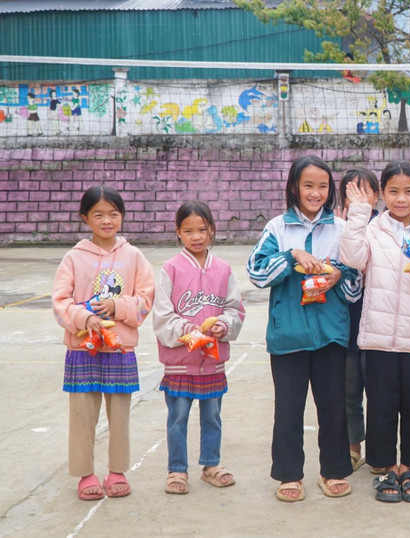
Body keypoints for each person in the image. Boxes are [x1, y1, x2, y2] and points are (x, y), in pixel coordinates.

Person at [339, 161, 410, 503]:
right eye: (393, 191)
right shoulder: (373, 229)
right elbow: (352, 257)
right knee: (381, 405)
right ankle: (386, 467)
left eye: (408, 191)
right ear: (382, 194)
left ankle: (409, 467)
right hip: (377, 338)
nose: (401, 199)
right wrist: (358, 213)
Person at [247, 155, 359, 503]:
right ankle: (288, 474)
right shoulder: (278, 227)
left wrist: (339, 274)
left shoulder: (341, 230)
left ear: (331, 190)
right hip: (288, 335)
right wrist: (292, 255)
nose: (315, 193)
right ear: (294, 187)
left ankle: (334, 470)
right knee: (289, 407)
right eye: (308, 185)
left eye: (322, 186)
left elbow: (356, 281)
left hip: (331, 332)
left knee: (333, 405)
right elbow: (256, 272)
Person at [52, 186, 155, 501]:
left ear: (122, 216)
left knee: (120, 414)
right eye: (98, 214)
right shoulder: (73, 257)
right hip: (82, 349)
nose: (107, 220)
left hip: (119, 349)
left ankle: (117, 471)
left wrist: (117, 307)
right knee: (82, 414)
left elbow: (145, 299)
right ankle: (85, 474)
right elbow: (60, 302)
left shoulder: (134, 256)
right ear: (85, 218)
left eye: (113, 213)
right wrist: (85, 319)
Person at [153, 200, 246, 495]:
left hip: (212, 361)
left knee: (212, 416)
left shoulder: (223, 269)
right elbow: (162, 315)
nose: (196, 236)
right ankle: (177, 470)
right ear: (178, 232)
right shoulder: (171, 269)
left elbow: (235, 308)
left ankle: (211, 464)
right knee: (177, 417)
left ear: (212, 231)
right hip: (181, 360)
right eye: (188, 230)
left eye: (202, 230)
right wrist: (186, 330)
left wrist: (224, 325)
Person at [335, 166, 381, 472]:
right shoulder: (338, 228)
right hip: (347, 322)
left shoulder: (384, 228)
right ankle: (353, 447)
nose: (357, 197)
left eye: (363, 191)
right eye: (350, 192)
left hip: (378, 321)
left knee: (379, 391)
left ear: (376, 197)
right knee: (349, 390)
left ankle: (380, 451)